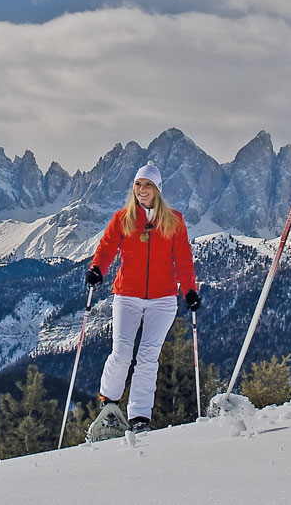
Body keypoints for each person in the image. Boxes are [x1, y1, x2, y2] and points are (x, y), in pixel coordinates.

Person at [83, 164, 200, 436]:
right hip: (127, 296)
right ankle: (109, 404)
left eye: (148, 185)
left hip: (163, 299)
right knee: (122, 353)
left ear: (158, 189)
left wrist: (189, 291)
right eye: (138, 185)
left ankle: (139, 416)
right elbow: (107, 246)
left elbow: (183, 260)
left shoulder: (174, 220)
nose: (142, 190)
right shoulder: (123, 218)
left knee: (148, 358)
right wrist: (97, 269)